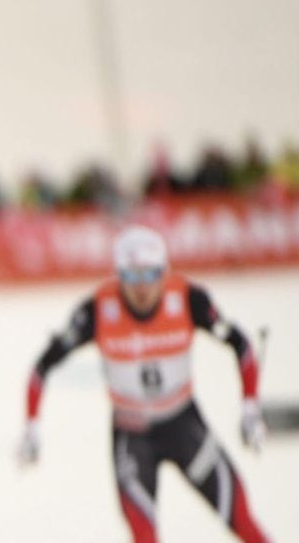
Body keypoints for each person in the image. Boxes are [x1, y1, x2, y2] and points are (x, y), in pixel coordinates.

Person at [17, 226, 269, 543]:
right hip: (131, 434)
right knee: (143, 536)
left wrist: (250, 408)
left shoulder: (188, 298)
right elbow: (41, 367)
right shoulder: (98, 309)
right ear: (118, 276)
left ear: (164, 273)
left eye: (151, 275)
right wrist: (32, 426)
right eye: (132, 277)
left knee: (242, 521)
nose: (142, 288)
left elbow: (241, 345)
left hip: (183, 424)